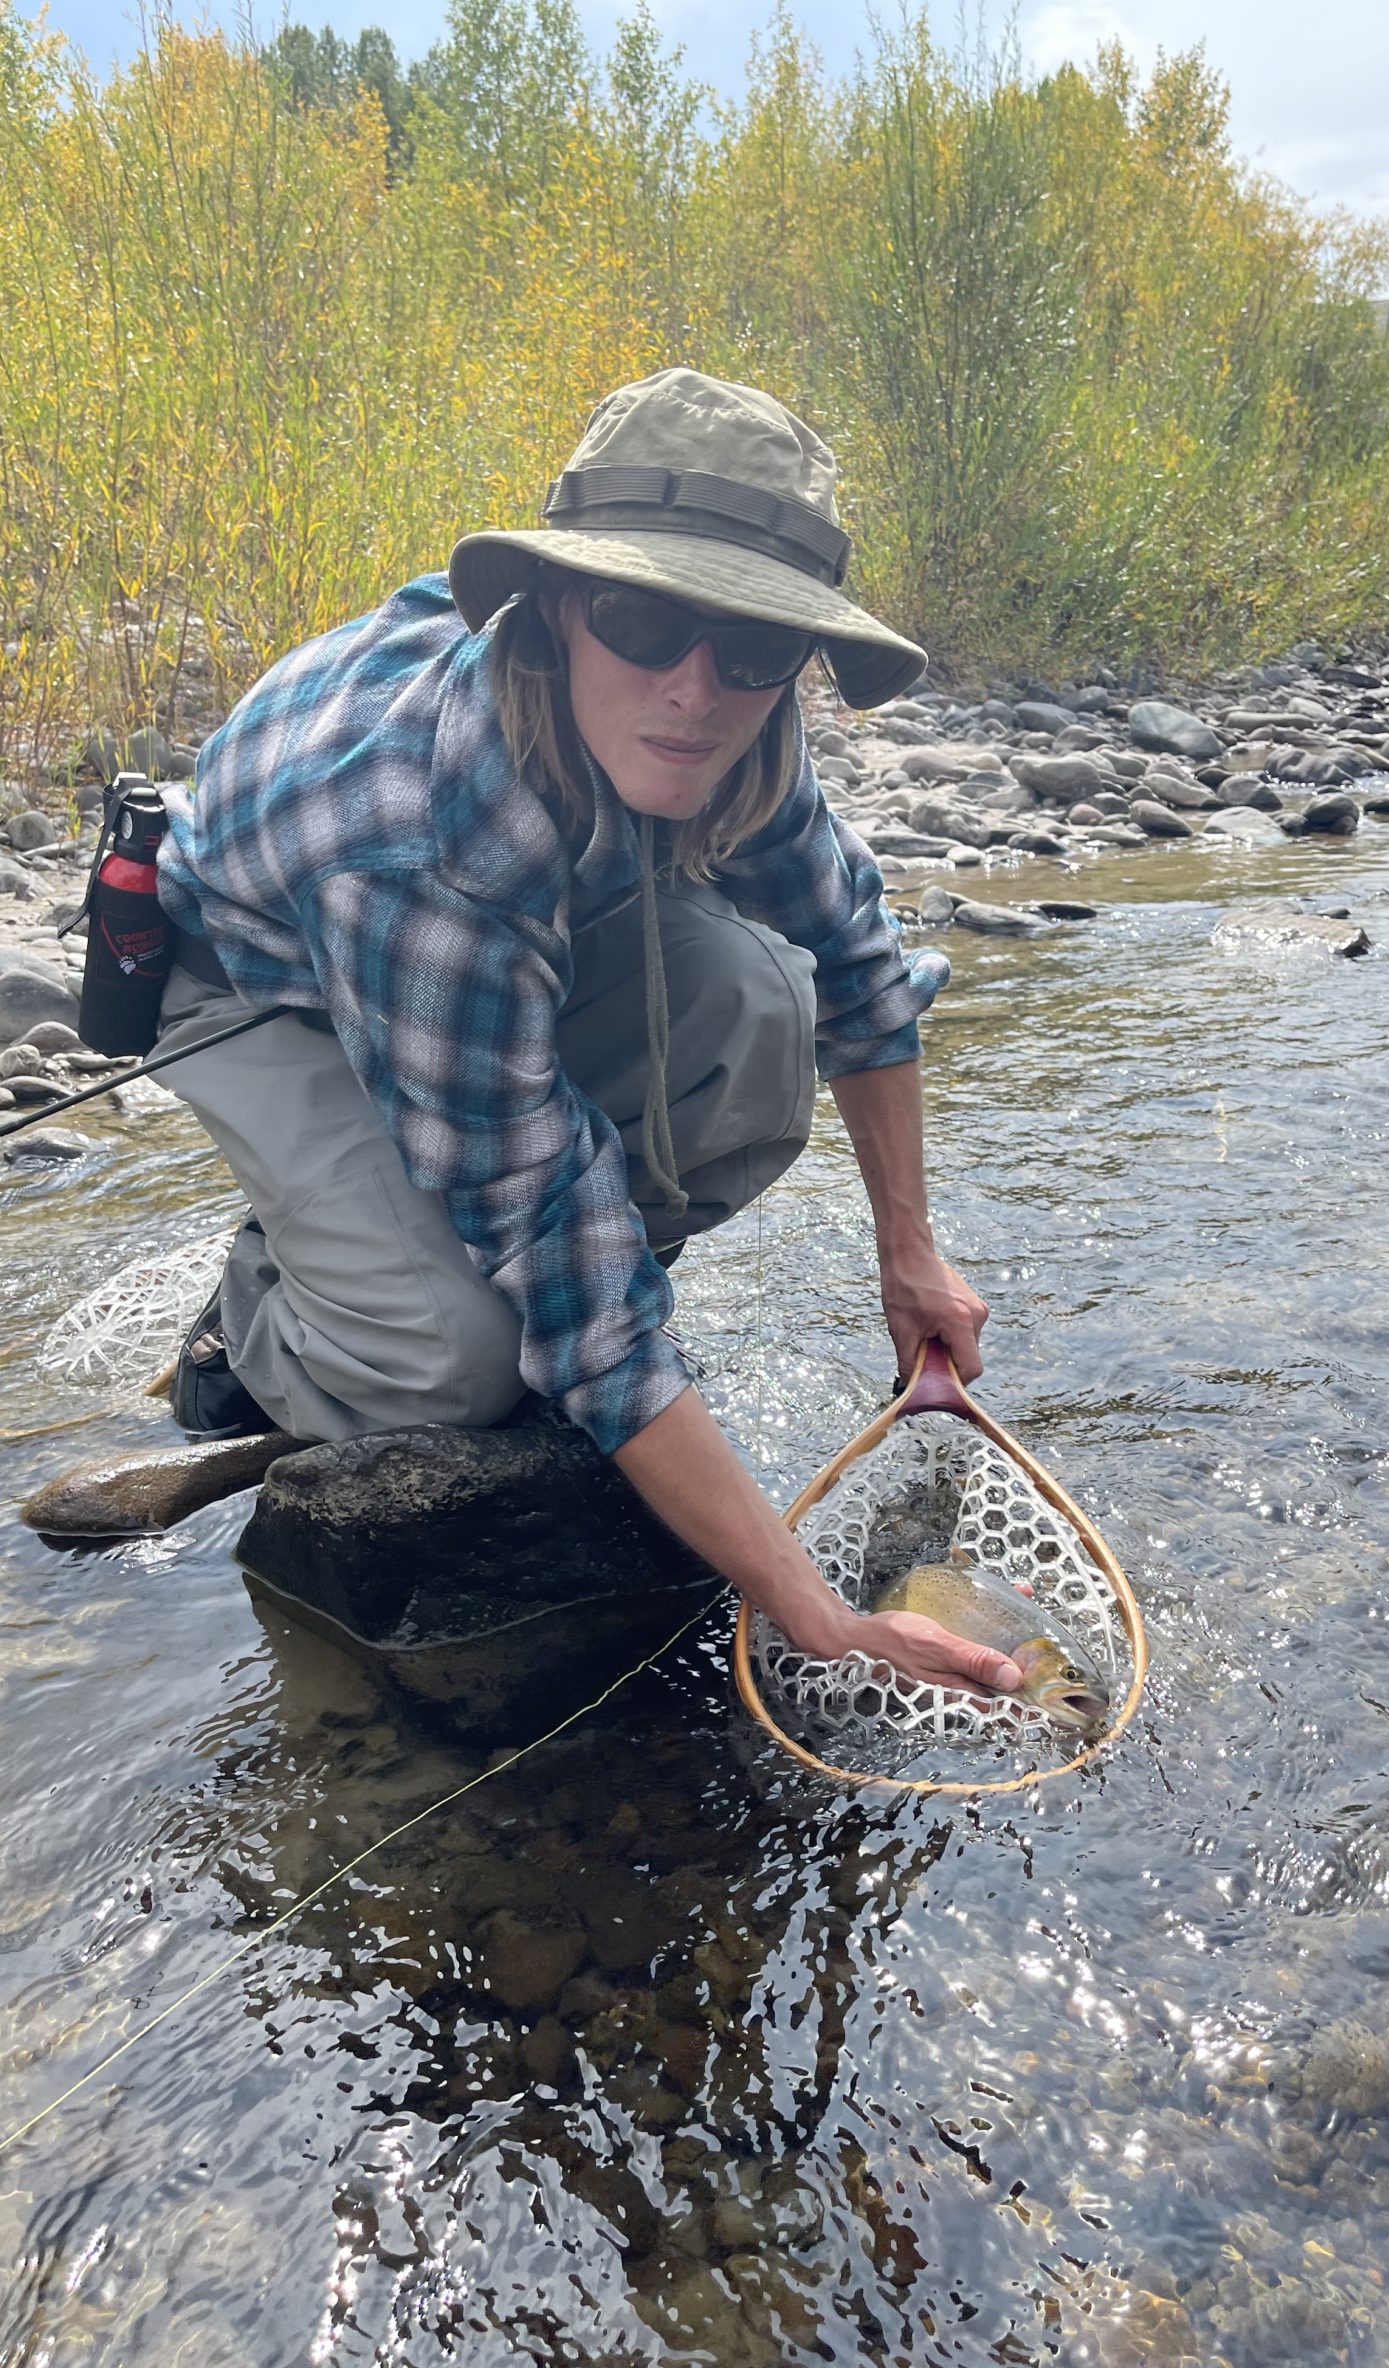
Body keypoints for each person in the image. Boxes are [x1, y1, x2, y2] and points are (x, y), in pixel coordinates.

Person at [153, 366, 1023, 1700]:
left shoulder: (740, 732)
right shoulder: (427, 837)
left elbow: (856, 963)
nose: (693, 690)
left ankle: (436, 1242)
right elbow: (573, 1282)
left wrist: (908, 1249)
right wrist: (810, 1607)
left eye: (748, 646)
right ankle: (255, 1322)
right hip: (256, 976)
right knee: (455, 1361)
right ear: (558, 611)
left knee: (756, 1007)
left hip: (494, 927)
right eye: (642, 617)